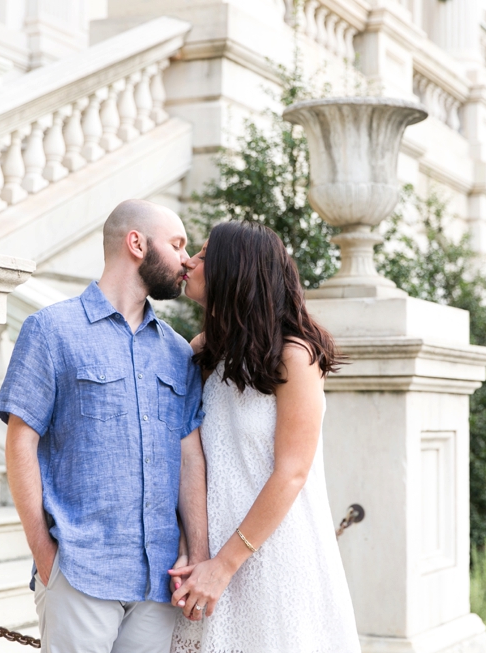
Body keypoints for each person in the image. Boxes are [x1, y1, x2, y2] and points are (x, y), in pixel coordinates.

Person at [0, 199, 209, 653]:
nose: (187, 260)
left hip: (159, 580)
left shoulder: (177, 352)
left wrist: (201, 554)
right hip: (79, 570)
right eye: (176, 244)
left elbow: (190, 458)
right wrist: (45, 556)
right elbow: (20, 444)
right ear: (136, 244)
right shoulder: (51, 331)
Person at [169, 221, 361, 652]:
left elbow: (292, 472)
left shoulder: (294, 357)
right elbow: (189, 455)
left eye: (203, 256)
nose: (190, 262)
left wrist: (224, 565)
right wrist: (195, 550)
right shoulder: (205, 350)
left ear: (232, 271)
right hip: (211, 553)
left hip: (272, 555)